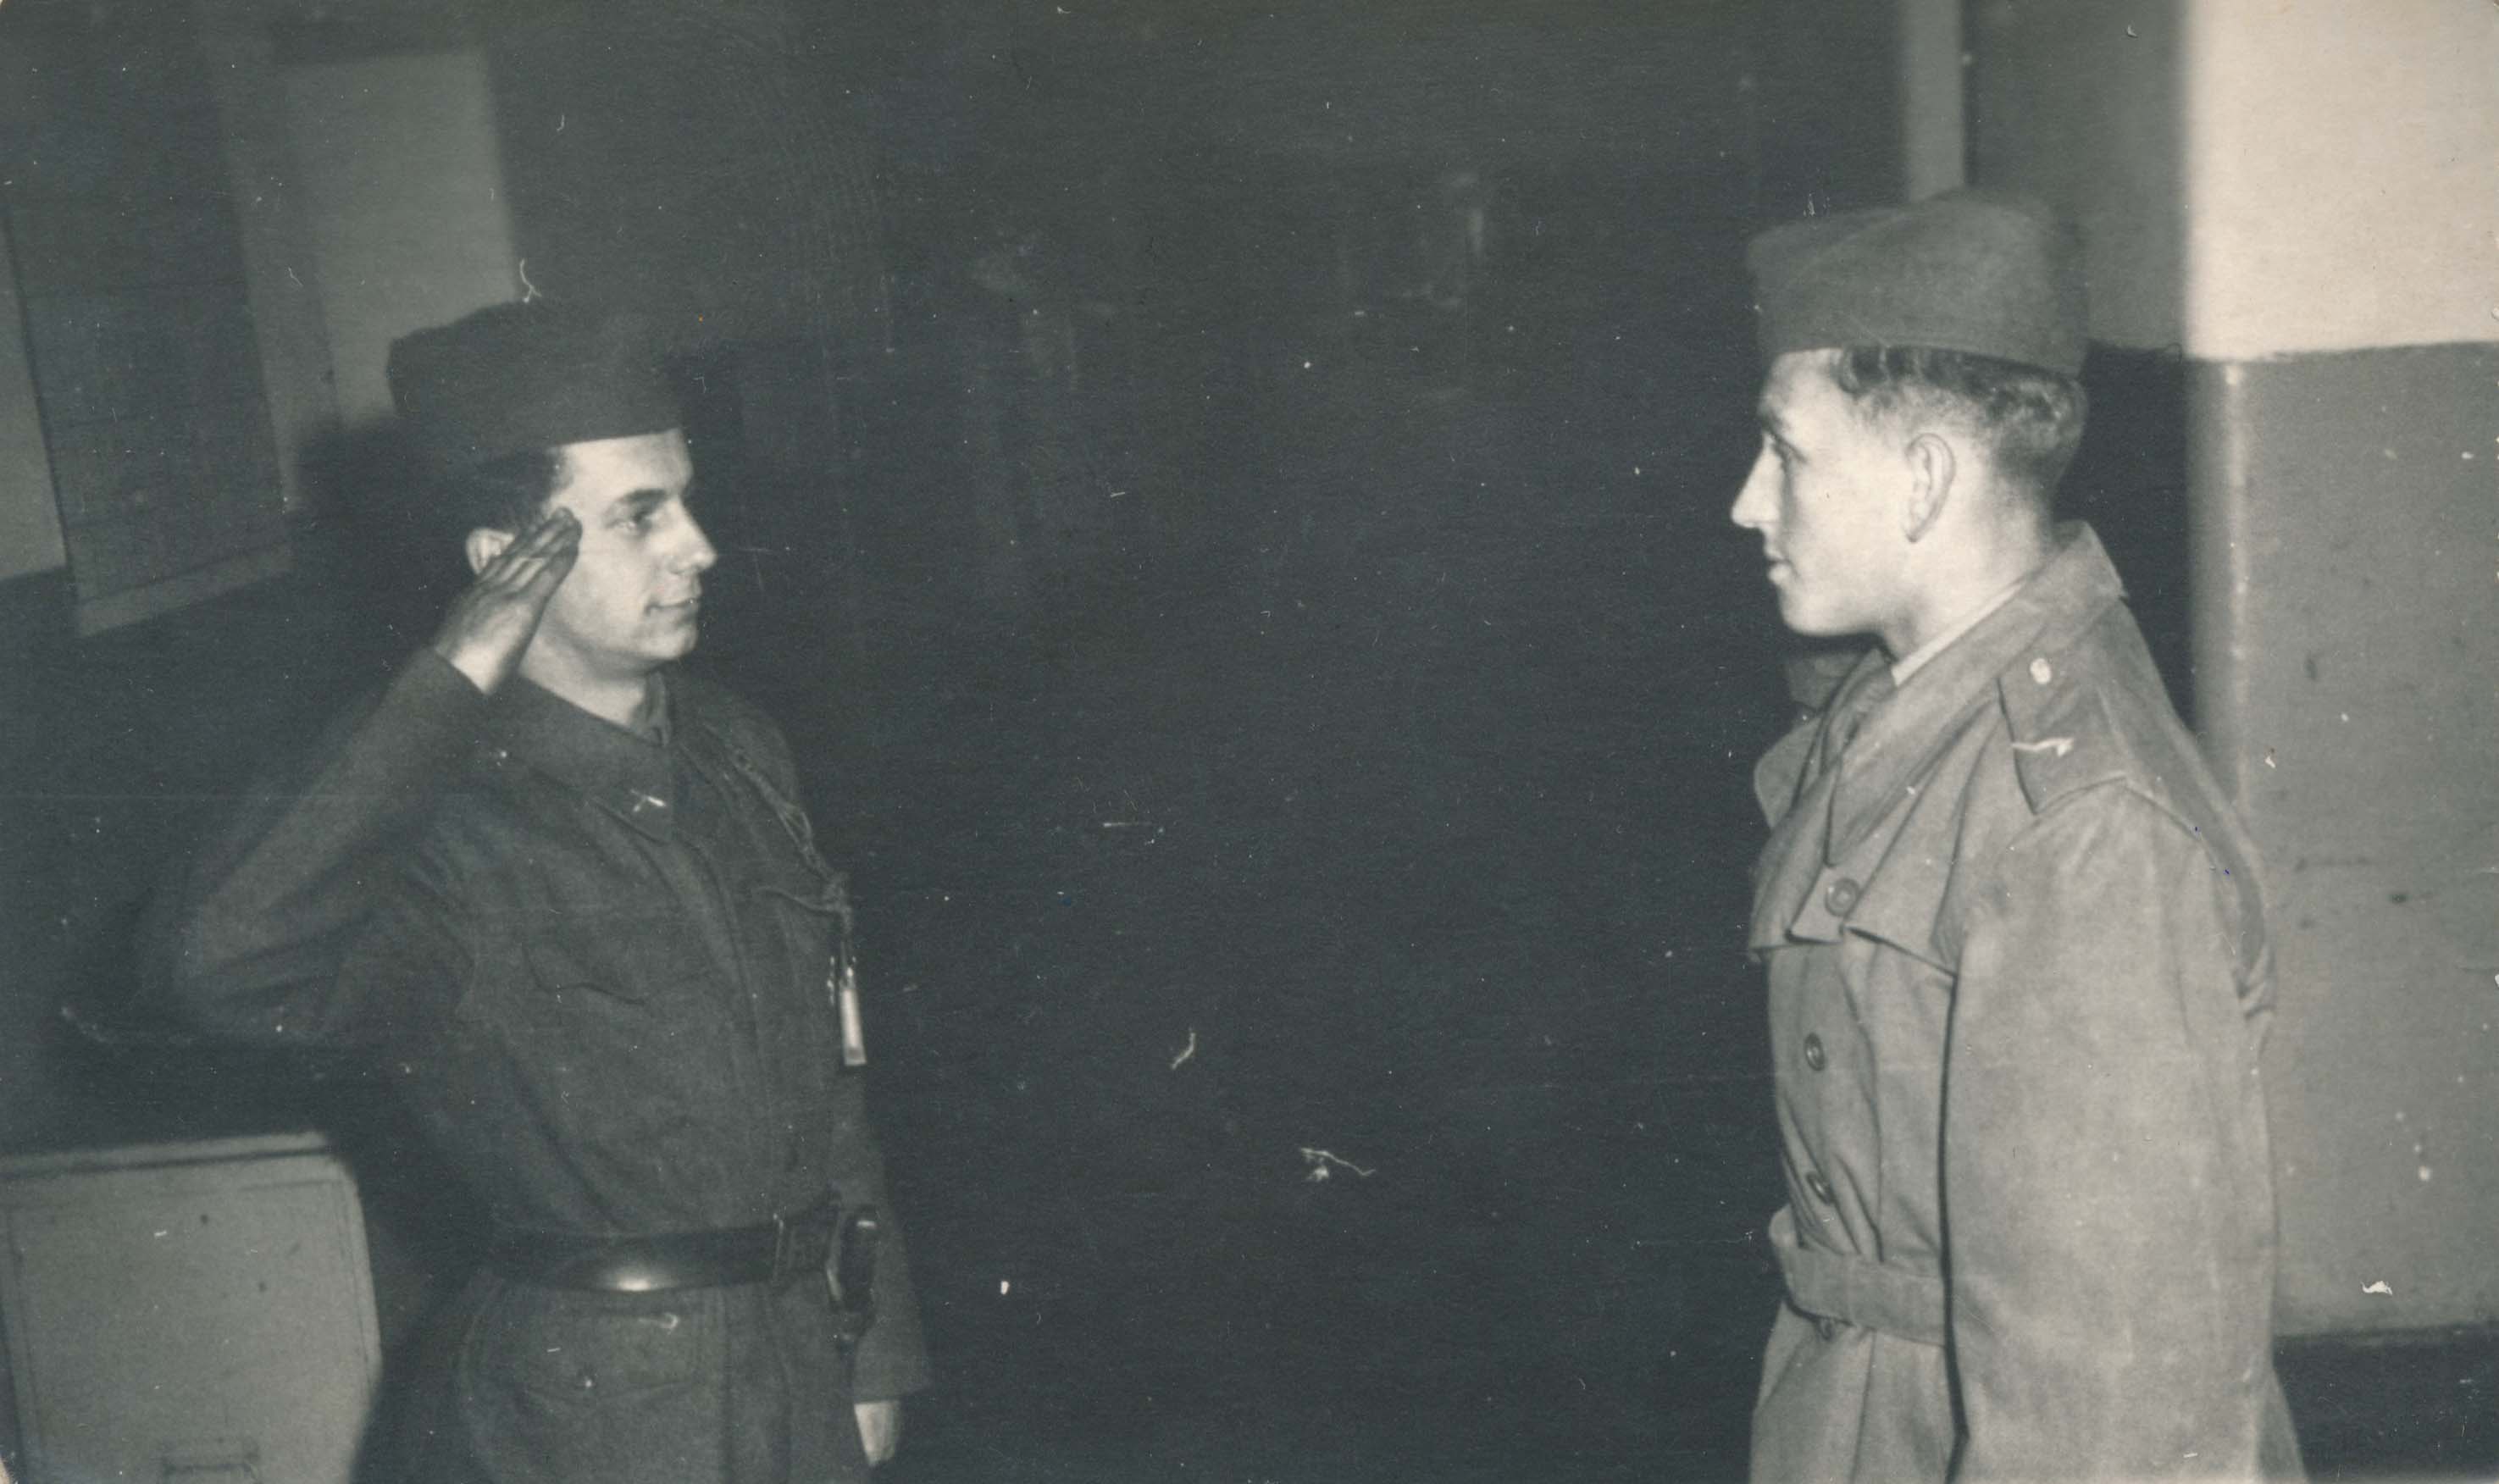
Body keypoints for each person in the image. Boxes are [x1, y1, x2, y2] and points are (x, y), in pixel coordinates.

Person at [142, 302, 928, 1482]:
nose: (699, 547)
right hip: (585, 1412)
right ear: (504, 563)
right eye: (639, 516)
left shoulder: (735, 753)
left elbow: (831, 1081)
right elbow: (218, 968)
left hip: (797, 1364)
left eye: (686, 501)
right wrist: (450, 679)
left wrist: (874, 1348)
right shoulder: (443, 820)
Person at [1727, 191, 2304, 1480]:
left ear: (1925, 479)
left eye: (1786, 453)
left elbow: (2115, 1407)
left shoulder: (2081, 835)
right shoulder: (1902, 709)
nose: (1748, 502)